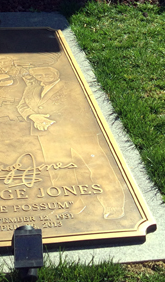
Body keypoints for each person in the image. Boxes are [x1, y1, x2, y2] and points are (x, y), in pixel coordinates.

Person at [17, 66, 126, 219]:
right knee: (59, 171)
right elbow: (22, 106)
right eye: (39, 75)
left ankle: (113, 205)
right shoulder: (32, 89)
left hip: (78, 132)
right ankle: (70, 206)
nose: (44, 77)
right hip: (47, 135)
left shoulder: (71, 86)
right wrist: (33, 116)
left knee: (97, 167)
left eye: (47, 73)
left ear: (56, 72)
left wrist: (51, 121)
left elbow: (81, 107)